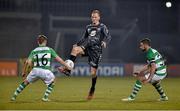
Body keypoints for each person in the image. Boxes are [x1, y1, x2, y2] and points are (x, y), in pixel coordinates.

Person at [59, 9, 111, 100]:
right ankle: (68, 70)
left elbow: (109, 36)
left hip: (96, 52)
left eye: (95, 17)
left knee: (93, 73)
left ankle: (92, 89)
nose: (93, 18)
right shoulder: (88, 27)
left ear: (99, 17)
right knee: (75, 49)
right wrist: (77, 43)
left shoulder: (102, 26)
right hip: (88, 48)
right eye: (92, 17)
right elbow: (84, 38)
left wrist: (105, 42)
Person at [11, 35, 71, 102]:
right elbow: (59, 60)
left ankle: (14, 97)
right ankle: (45, 97)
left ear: (38, 42)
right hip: (45, 71)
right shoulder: (49, 49)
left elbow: (27, 62)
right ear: (45, 41)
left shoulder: (34, 51)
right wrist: (67, 66)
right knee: (53, 81)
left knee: (25, 82)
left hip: (35, 70)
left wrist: (23, 72)